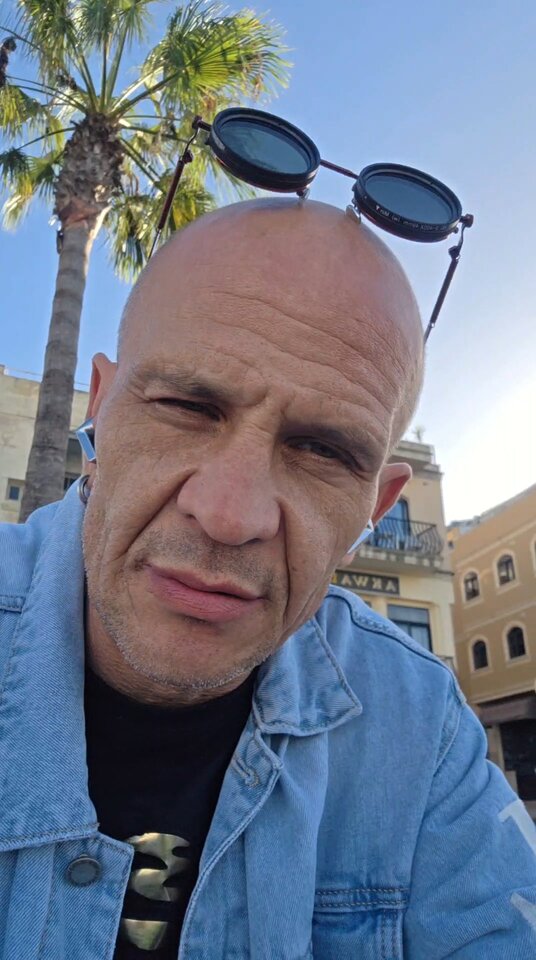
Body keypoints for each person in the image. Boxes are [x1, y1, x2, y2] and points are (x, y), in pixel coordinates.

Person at [0, 199, 534, 960]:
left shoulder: (416, 724)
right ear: (102, 411)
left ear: (375, 506)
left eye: (323, 451)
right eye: (188, 406)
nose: (230, 515)